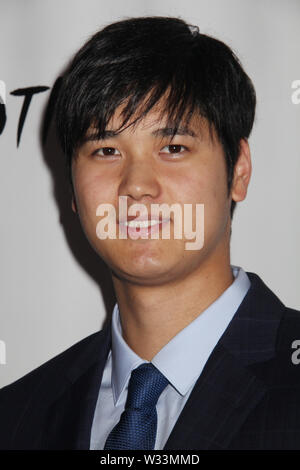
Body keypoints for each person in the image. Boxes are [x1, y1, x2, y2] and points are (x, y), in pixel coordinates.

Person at [1, 16, 300, 451]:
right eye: (106, 150)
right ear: (72, 189)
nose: (137, 185)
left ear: (239, 169)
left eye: (173, 148)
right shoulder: (18, 415)